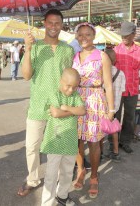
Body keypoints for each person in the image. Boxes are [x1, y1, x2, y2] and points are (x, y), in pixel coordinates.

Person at [17, 9, 74, 197]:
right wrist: (28, 48)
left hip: (58, 107)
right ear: (44, 23)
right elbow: (26, 76)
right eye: (50, 22)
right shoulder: (36, 46)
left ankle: (56, 181)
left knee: (56, 148)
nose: (53, 27)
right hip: (37, 105)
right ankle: (32, 179)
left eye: (57, 23)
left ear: (62, 25)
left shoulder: (68, 49)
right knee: (32, 146)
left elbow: (70, 79)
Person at [72, 22, 114, 198]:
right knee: (77, 141)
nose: (84, 38)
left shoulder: (102, 56)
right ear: (76, 37)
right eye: (80, 35)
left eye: (87, 34)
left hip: (96, 100)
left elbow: (109, 86)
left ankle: (94, 176)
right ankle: (81, 170)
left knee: (94, 142)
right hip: (77, 100)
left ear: (94, 36)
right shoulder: (74, 56)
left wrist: (111, 110)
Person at [41, 68, 85, 206]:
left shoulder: (76, 96)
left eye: (75, 86)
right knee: (51, 175)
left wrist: (67, 108)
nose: (71, 90)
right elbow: (55, 113)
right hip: (55, 141)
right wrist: (73, 112)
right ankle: (47, 203)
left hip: (70, 142)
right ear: (61, 81)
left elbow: (82, 110)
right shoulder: (54, 93)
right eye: (68, 86)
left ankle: (62, 196)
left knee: (67, 172)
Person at [114, 21, 140, 153]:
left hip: (133, 90)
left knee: (129, 118)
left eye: (127, 35)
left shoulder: (139, 51)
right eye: (122, 35)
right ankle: (114, 142)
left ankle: (125, 141)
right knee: (115, 117)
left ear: (133, 35)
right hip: (118, 90)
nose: (124, 38)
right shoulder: (116, 50)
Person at [102, 48, 126, 162]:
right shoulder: (121, 73)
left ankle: (100, 152)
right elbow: (123, 90)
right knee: (114, 129)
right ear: (115, 60)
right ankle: (115, 152)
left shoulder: (101, 72)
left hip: (103, 106)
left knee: (101, 129)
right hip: (115, 107)